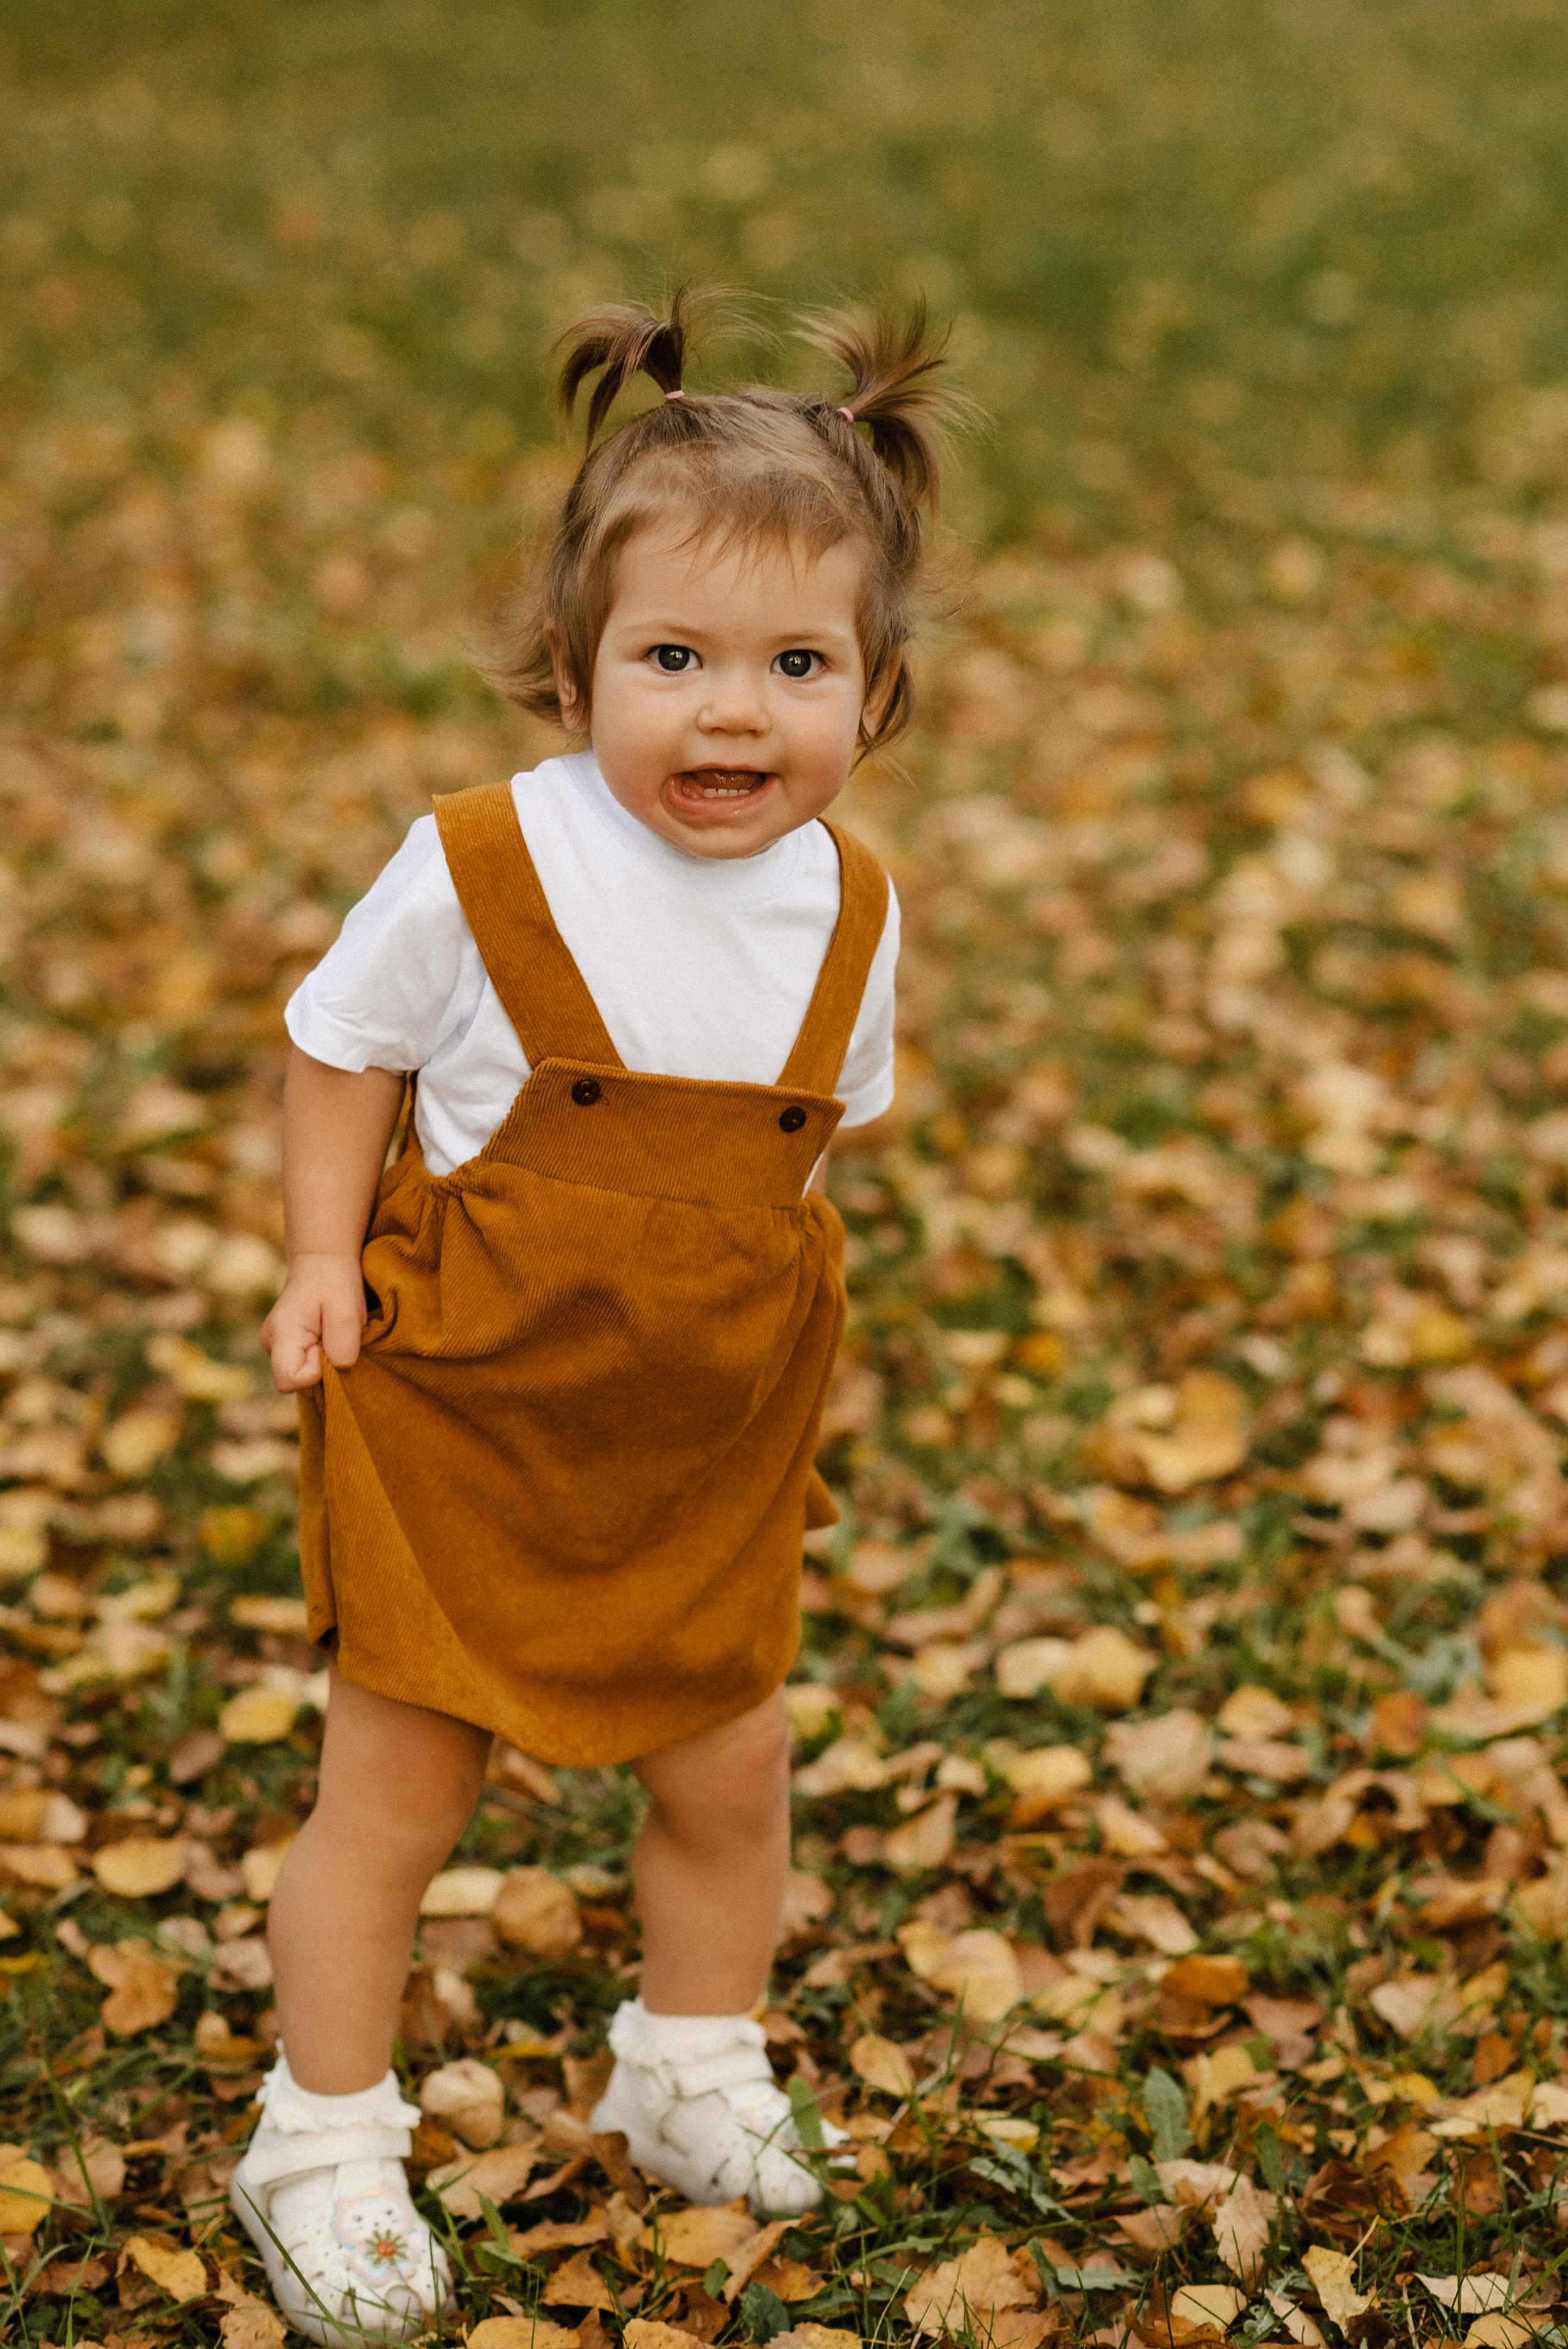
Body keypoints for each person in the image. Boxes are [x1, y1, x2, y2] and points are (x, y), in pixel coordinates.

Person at [231, 288, 959, 2345]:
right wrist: (316, 1250)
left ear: (873, 696)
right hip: (464, 1403)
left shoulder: (857, 907)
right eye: (675, 660)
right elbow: (338, 1045)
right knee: (399, 1791)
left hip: (699, 1440)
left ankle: (690, 2058)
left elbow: (804, 1150)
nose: (734, 715)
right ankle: (323, 2129)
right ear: (571, 673)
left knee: (734, 1771)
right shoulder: (482, 863)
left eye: (795, 666)